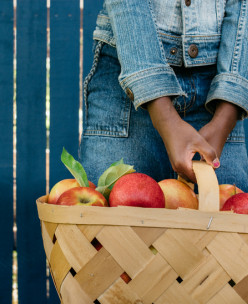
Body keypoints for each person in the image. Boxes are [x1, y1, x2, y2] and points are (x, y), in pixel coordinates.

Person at [79, 0, 248, 192]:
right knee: (109, 218)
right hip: (128, 72)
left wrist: (225, 116)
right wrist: (165, 117)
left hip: (219, 87)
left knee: (224, 218)